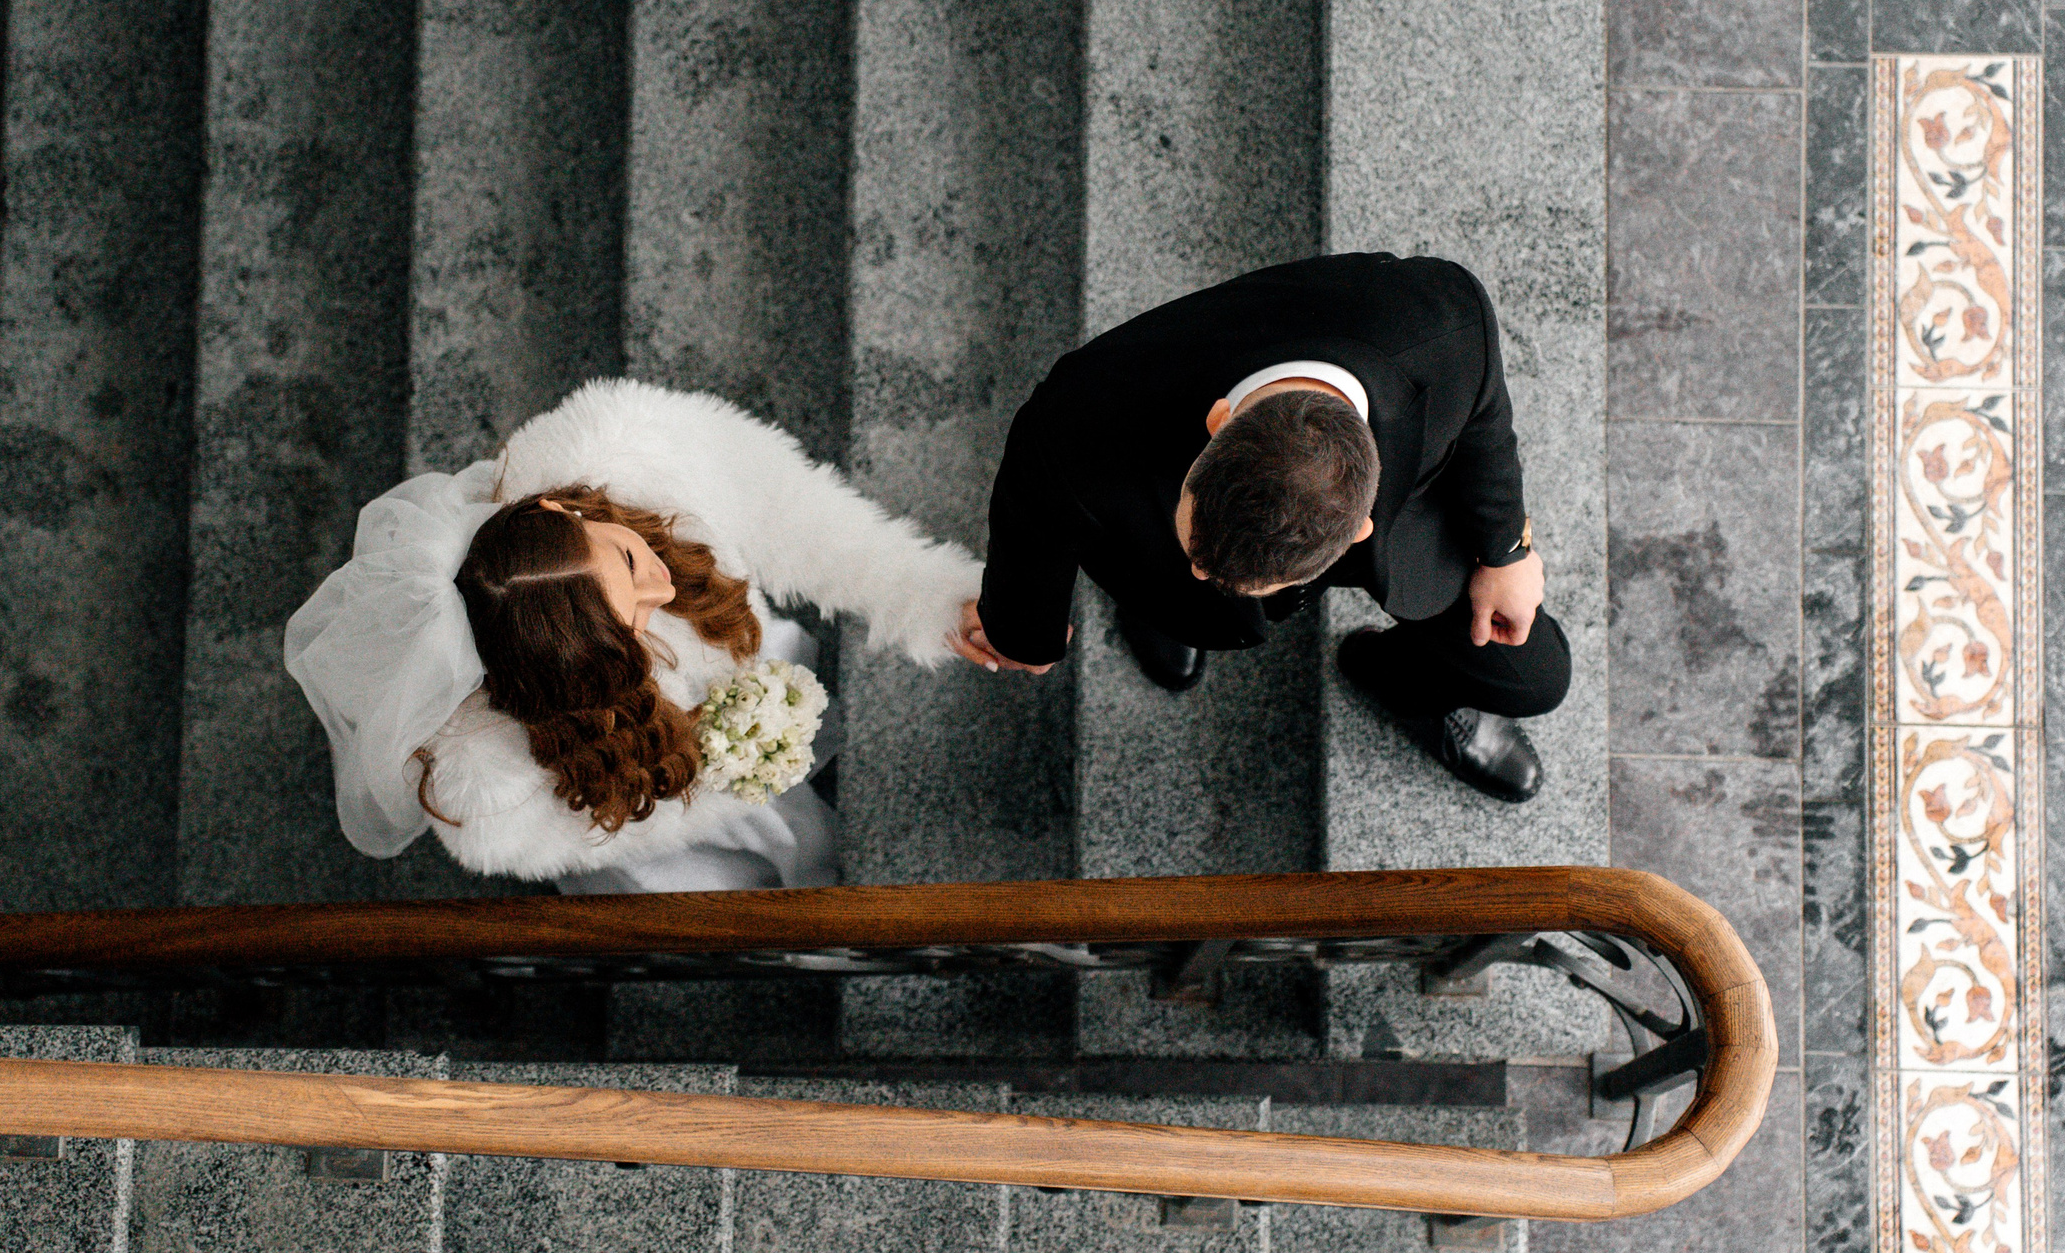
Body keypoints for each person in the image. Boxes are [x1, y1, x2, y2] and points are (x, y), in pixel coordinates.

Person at [285, 379, 981, 892]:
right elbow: (591, 827)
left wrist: (933, 599)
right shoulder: (491, 783)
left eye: (625, 559)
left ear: (561, 508)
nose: (663, 589)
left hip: (735, 661)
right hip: (646, 785)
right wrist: (713, 767)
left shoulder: (629, 449)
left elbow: (801, 517)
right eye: (633, 623)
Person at [953, 252, 1569, 804]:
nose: (1203, 572)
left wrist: (1507, 550)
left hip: (1406, 520)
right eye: (1201, 554)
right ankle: (1157, 609)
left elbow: (1485, 412)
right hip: (1143, 511)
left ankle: (1396, 680)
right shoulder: (1078, 418)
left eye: (1222, 573)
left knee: (1534, 678)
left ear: (1357, 528)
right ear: (1219, 422)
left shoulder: (1443, 322)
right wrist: (1023, 631)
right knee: (1164, 578)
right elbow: (1031, 519)